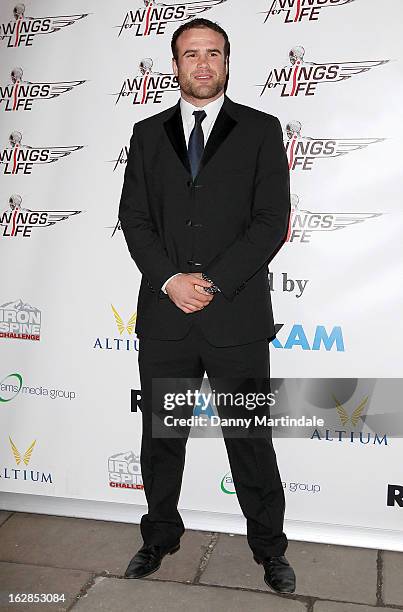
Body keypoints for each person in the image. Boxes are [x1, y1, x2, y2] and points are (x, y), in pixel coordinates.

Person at [118, 17, 296, 594]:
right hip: (167, 319)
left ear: (226, 62)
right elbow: (135, 220)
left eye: (213, 53)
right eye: (190, 54)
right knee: (162, 437)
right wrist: (171, 280)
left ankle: (270, 549)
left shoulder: (262, 130)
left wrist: (212, 283)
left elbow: (271, 222)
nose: (202, 64)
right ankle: (159, 536)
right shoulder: (147, 135)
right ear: (175, 65)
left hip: (235, 319)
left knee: (249, 439)